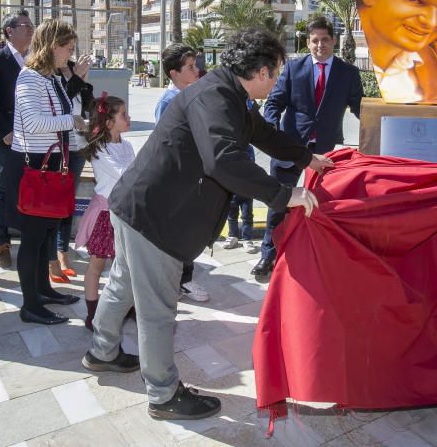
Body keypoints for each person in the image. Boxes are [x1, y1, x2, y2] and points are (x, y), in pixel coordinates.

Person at [84, 29, 333, 421]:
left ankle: (101, 351)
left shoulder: (228, 92)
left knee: (122, 284)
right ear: (263, 71)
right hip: (154, 216)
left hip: (137, 204)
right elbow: (223, 160)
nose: (277, 81)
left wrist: (307, 158)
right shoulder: (215, 97)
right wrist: (285, 195)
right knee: (157, 309)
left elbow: (261, 132)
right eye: (277, 74)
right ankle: (163, 394)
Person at [253, 16, 363, 276]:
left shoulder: (348, 73)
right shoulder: (293, 68)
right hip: (290, 149)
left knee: (324, 206)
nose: (320, 45)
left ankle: (320, 256)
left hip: (327, 152)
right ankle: (268, 255)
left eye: (325, 39)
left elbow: (361, 109)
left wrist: (380, 127)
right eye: (315, 40)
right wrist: (274, 134)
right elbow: (273, 105)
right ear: (307, 42)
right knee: (278, 203)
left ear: (334, 41)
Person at [11, 18, 85, 325]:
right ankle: (30, 305)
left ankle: (43, 290)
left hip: (50, 165)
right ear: (52, 46)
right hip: (34, 167)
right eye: (67, 48)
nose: (69, 53)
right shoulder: (30, 78)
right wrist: (74, 122)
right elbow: (34, 122)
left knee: (44, 236)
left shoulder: (50, 78)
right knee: (32, 239)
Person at [155, 43, 211, 303]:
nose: (196, 70)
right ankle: (180, 282)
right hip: (177, 180)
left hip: (190, 177)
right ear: (173, 73)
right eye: (190, 67)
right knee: (179, 232)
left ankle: (181, 279)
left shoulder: (188, 95)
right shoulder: (169, 101)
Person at [75, 94, 134, 330]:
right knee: (97, 266)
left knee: (125, 265)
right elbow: (126, 175)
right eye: (123, 115)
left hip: (124, 213)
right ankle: (92, 312)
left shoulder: (126, 145)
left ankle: (124, 306)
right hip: (105, 216)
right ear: (109, 122)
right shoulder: (101, 149)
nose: (129, 118)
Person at [0, 12, 34, 269]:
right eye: (25, 26)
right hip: (7, 138)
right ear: (9, 31)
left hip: (35, 137)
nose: (30, 30)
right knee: (6, 190)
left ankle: (30, 240)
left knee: (31, 188)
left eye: (31, 26)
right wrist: (3, 131)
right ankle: (1, 244)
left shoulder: (36, 61)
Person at [48, 52, 94, 283]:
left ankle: (62, 251)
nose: (69, 51)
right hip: (58, 146)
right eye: (66, 45)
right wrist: (75, 79)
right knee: (55, 202)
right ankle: (52, 256)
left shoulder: (75, 70)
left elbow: (87, 106)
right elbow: (59, 105)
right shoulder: (49, 74)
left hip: (79, 146)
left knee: (68, 202)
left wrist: (83, 81)